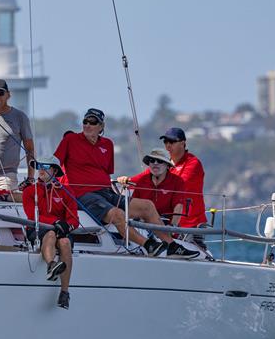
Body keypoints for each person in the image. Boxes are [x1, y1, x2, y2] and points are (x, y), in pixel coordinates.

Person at [54, 108, 199, 259]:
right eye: (85, 121)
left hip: (106, 192)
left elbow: (106, 172)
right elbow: (54, 164)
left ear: (101, 126)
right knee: (118, 214)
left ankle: (172, 246)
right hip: (84, 195)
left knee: (147, 206)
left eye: (93, 122)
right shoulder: (70, 140)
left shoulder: (108, 144)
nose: (88, 125)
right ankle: (149, 245)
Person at [22, 159, 79, 309]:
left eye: (45, 166)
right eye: (38, 166)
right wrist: (55, 222)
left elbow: (74, 219)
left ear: (54, 170)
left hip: (60, 230)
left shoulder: (66, 191)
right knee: (51, 234)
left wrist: (67, 226)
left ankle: (65, 292)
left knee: (65, 242)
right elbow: (31, 216)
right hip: (37, 229)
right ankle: (51, 265)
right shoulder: (29, 191)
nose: (40, 169)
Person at [116, 148, 186, 226]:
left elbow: (178, 206)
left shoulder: (177, 181)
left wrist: (173, 227)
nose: (155, 163)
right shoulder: (142, 180)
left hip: (166, 226)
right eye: (152, 160)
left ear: (167, 165)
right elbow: (134, 205)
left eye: (160, 161)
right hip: (143, 226)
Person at [161, 127, 207, 228]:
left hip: (192, 226)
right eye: (165, 142)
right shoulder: (165, 163)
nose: (168, 145)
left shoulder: (193, 163)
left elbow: (180, 184)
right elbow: (146, 178)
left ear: (182, 143)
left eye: (172, 142)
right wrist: (128, 180)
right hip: (169, 224)